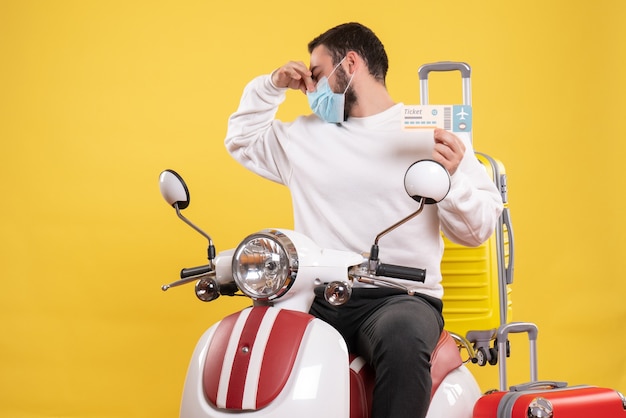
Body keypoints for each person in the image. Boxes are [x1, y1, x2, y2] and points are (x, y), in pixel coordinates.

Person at [225, 22, 503, 418]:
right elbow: (242, 139)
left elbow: (477, 232)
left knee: (403, 340)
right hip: (317, 295)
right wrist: (271, 85)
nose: (310, 89)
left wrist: (454, 177)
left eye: (317, 75)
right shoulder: (304, 136)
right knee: (256, 339)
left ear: (350, 64)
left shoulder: (431, 133)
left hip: (400, 296)